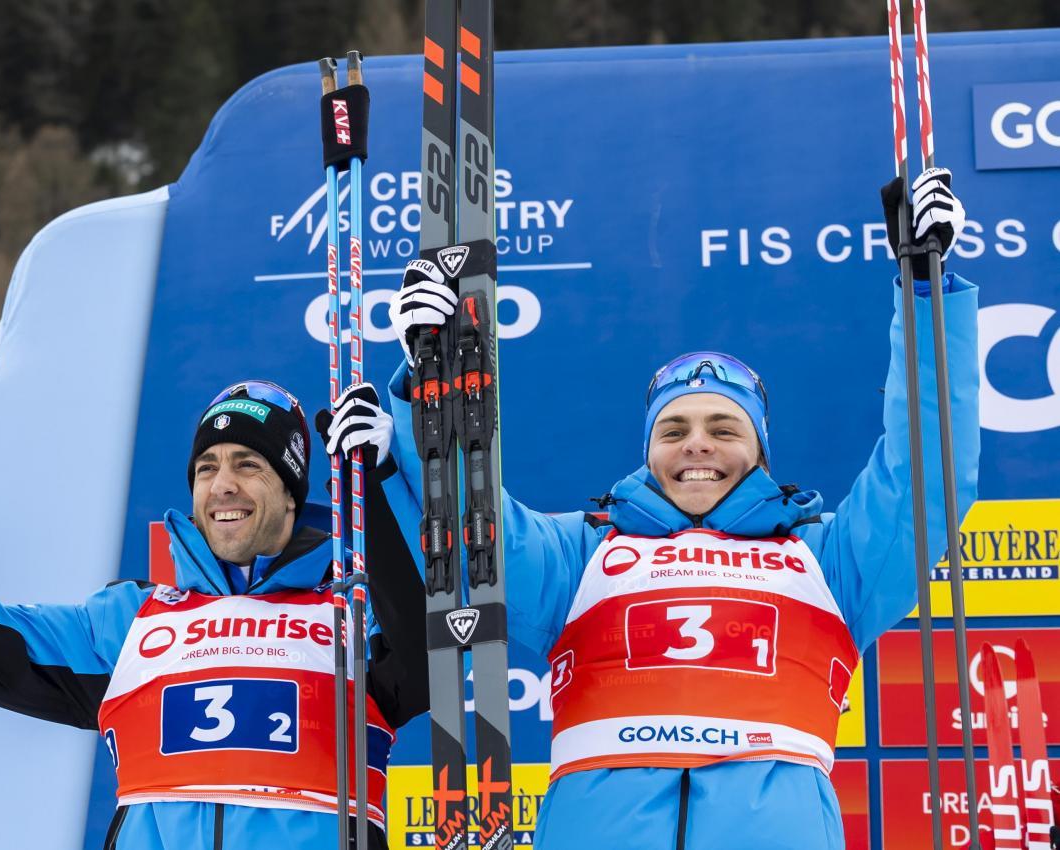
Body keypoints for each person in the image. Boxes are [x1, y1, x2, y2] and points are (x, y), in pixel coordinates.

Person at [377, 169, 979, 849]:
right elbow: (467, 522)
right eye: (674, 430)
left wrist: (924, 295)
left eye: (724, 429)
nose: (697, 445)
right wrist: (433, 384)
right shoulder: (582, 552)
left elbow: (927, 471)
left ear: (760, 451)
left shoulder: (829, 558)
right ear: (648, 449)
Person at [0, 379, 424, 850]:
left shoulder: (351, 609)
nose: (222, 485)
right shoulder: (133, 619)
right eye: (206, 468)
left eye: (249, 465)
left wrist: (378, 479)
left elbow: (431, 656)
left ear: (291, 490)